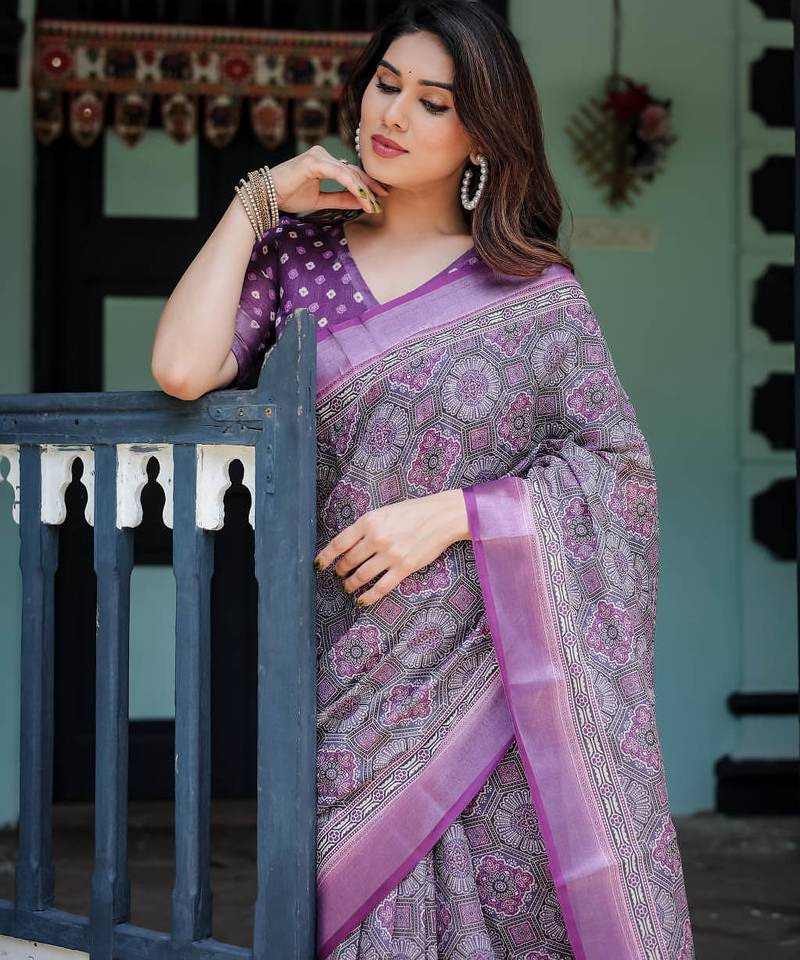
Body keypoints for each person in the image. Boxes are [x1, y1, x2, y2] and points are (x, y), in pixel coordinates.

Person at [153, 2, 696, 957]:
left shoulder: (532, 292)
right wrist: (259, 199)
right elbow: (182, 368)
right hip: (348, 665)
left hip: (494, 678)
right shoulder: (298, 262)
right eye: (386, 85)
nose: (393, 114)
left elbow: (617, 475)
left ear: (481, 130)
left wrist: (455, 516)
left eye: (432, 101)